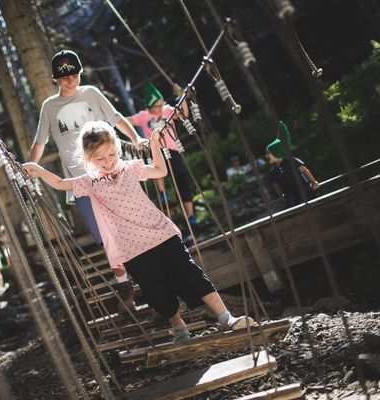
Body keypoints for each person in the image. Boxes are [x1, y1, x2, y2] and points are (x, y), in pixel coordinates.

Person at [23, 121, 253, 341]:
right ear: (88, 159)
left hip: (160, 232)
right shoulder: (89, 182)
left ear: (117, 148)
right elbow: (62, 183)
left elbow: (160, 171)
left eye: (111, 154)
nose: (107, 161)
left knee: (190, 272)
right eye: (100, 158)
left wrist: (154, 145)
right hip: (132, 247)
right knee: (156, 290)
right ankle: (178, 327)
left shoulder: (131, 168)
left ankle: (225, 317)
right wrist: (38, 170)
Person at [29, 49, 149, 312]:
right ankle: (125, 287)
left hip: (113, 174)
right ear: (54, 80)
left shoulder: (92, 93)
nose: (70, 80)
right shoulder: (50, 107)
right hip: (81, 182)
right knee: (106, 237)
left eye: (74, 74)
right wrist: (31, 167)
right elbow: (40, 141)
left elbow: (115, 118)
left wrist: (137, 138)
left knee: (131, 226)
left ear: (80, 74)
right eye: (64, 77)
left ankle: (150, 283)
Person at [127, 81, 197, 224]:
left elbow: (184, 113)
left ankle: (190, 215)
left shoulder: (168, 110)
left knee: (181, 179)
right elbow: (124, 122)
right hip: (155, 150)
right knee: (156, 167)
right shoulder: (143, 116)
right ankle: (162, 192)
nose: (159, 109)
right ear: (149, 106)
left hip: (172, 149)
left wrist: (181, 96)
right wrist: (136, 138)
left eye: (160, 105)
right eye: (155, 107)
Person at [265, 121, 320, 208]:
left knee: (311, 200)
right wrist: (281, 195)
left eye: (269, 153)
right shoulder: (274, 171)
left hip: (303, 187)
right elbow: (276, 185)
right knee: (293, 205)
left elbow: (304, 170)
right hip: (290, 193)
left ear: (277, 152)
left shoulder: (292, 161)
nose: (267, 156)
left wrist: (313, 182)